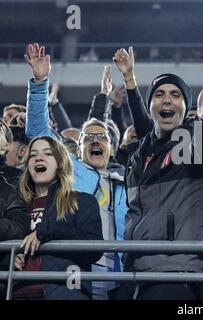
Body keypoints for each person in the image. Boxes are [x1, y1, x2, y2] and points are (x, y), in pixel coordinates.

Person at [113, 46, 203, 300]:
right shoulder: (141, 152)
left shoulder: (192, 148)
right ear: (151, 106)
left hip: (178, 273)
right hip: (135, 273)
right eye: (159, 94)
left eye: (175, 95)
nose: (167, 100)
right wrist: (129, 80)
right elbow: (144, 128)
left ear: (186, 107)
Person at [24, 43, 128, 300]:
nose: (95, 141)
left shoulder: (128, 180)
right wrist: (39, 84)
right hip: (77, 276)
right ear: (76, 151)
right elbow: (39, 133)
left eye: (102, 137)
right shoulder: (73, 172)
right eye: (88, 138)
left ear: (112, 148)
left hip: (122, 281)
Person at [13, 136, 103, 300]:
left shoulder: (82, 201)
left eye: (48, 153)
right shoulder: (16, 206)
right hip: (18, 293)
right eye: (33, 155)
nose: (39, 157)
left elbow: (94, 250)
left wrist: (45, 231)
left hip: (65, 293)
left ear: (60, 163)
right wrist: (9, 259)